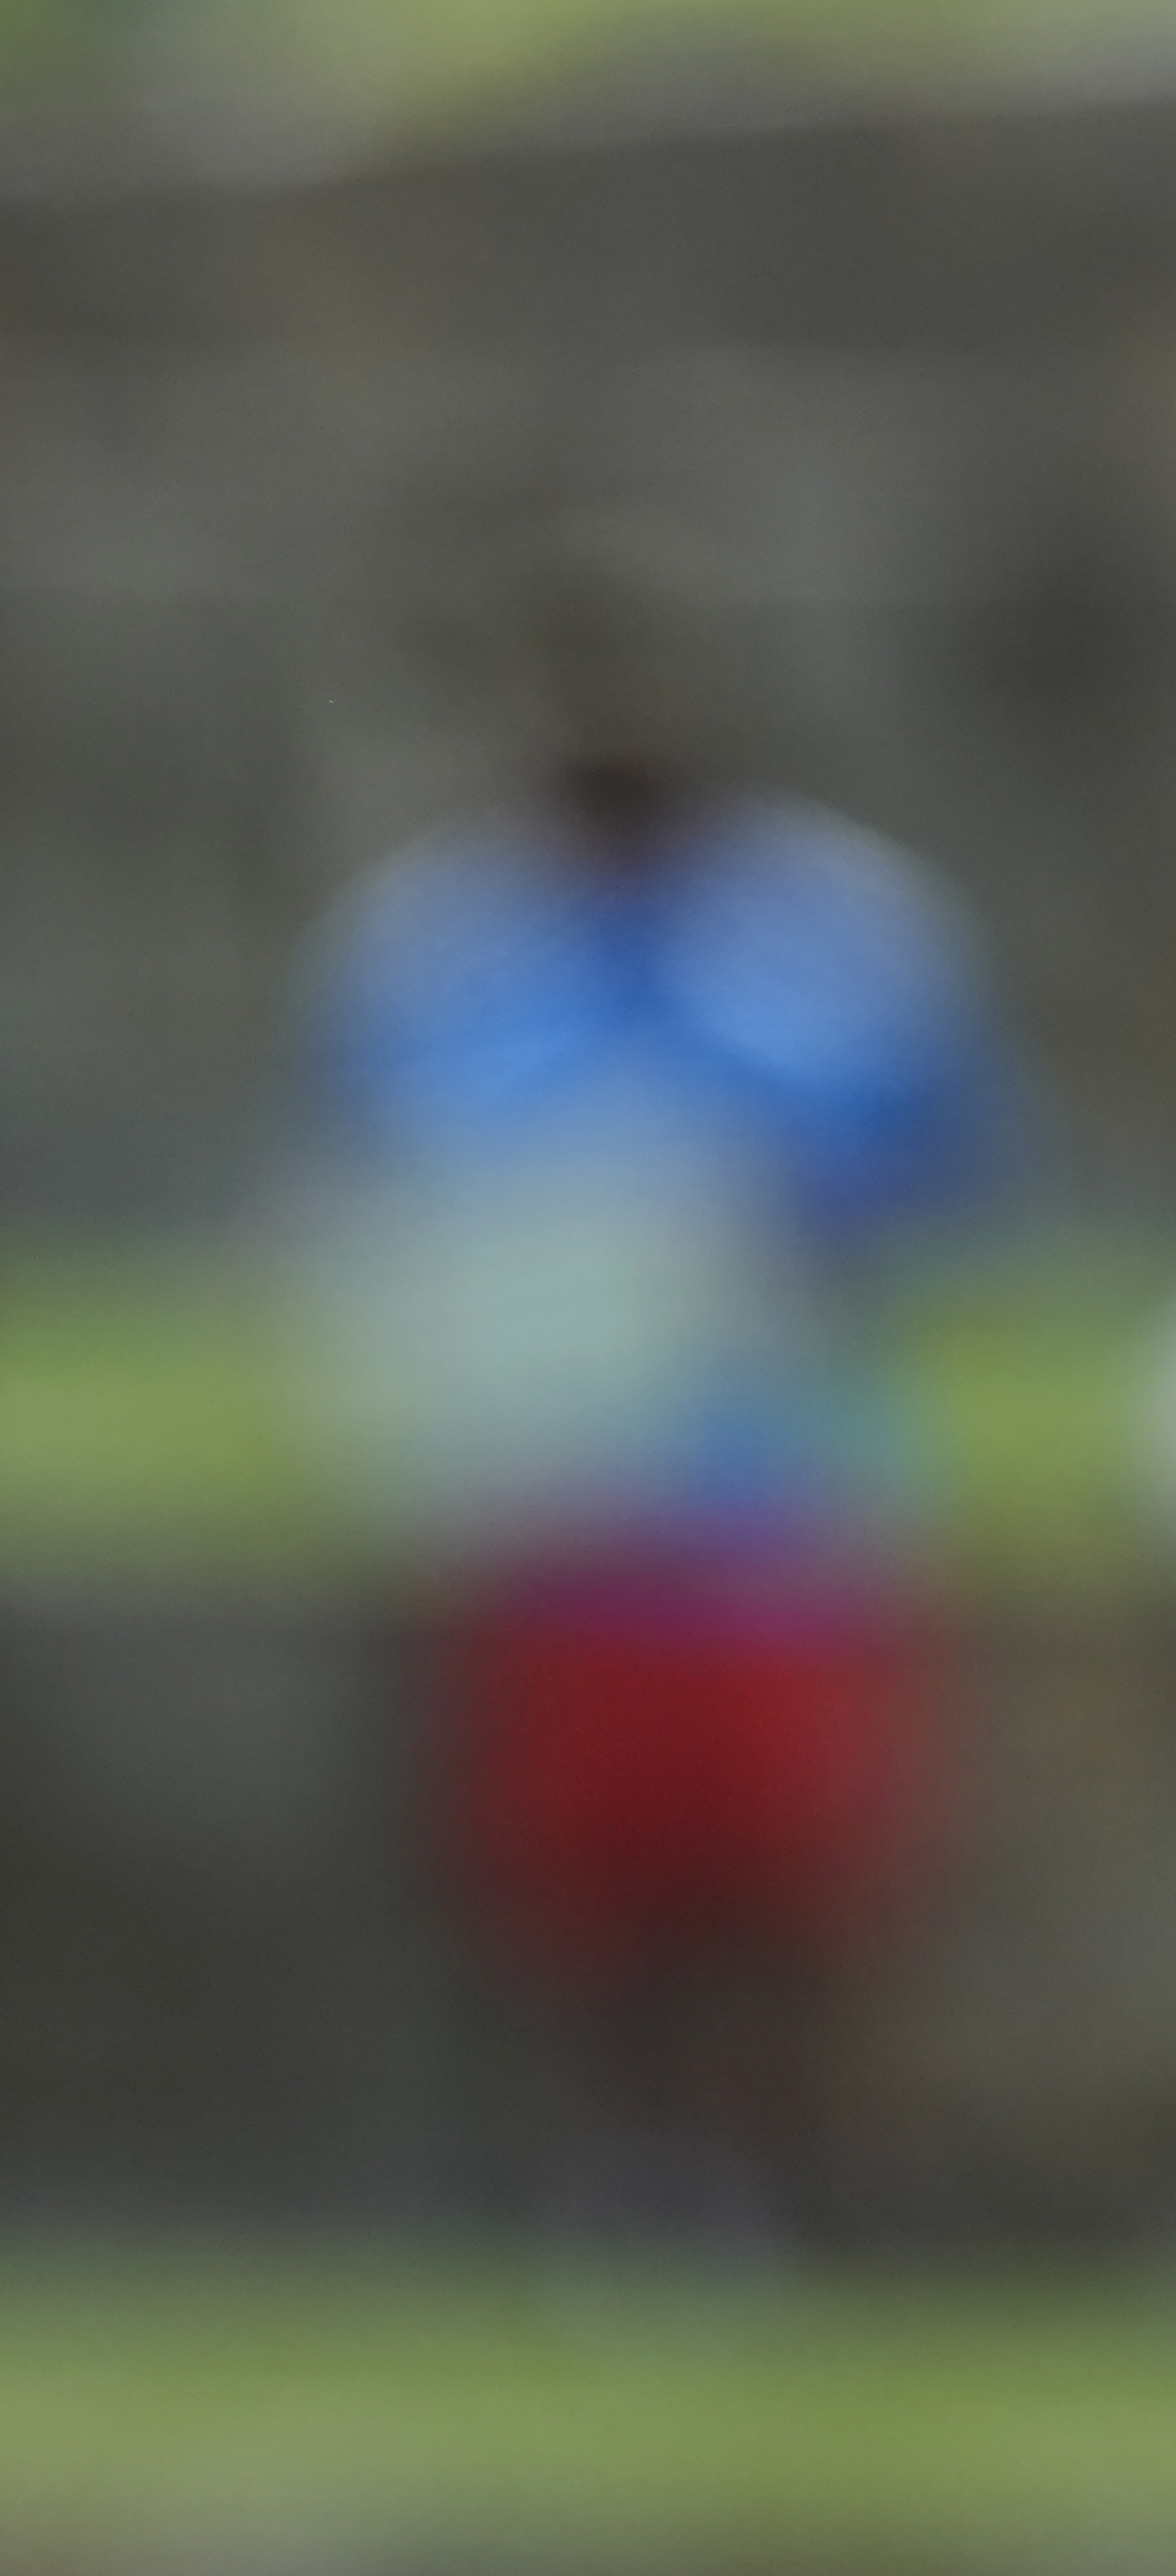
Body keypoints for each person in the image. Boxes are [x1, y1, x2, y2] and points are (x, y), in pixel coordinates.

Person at [302, 576, 999, 2240]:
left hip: (771, 1492)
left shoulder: (836, 934)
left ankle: (782, 2188)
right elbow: (365, 1207)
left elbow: (943, 1177)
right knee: (583, 1883)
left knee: (787, 1872)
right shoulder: (437, 943)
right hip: (548, 1494)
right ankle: (615, 2188)